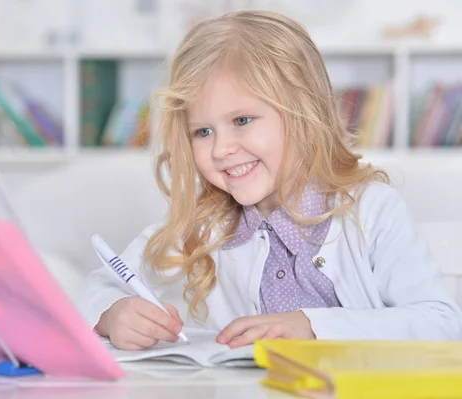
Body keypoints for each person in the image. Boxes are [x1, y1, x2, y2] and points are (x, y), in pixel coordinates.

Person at [81, 10, 462, 351]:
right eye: (202, 131)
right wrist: (112, 314)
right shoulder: (200, 228)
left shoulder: (373, 210)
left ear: (303, 112)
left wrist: (313, 326)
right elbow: (95, 287)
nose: (221, 150)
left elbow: (443, 324)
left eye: (242, 121)